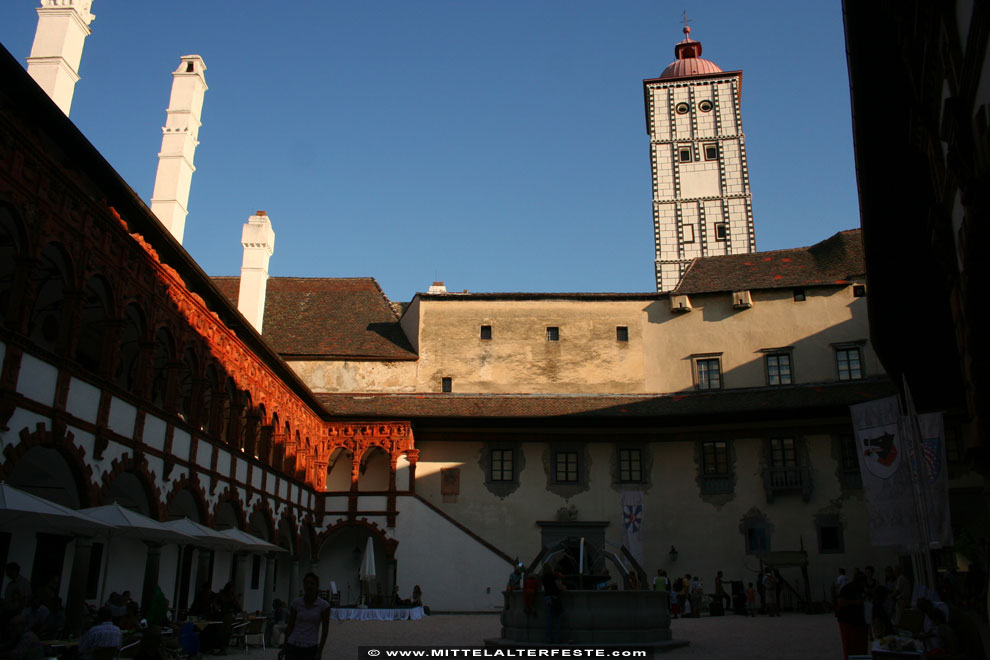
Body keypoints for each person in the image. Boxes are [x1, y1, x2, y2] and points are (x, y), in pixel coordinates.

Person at [283, 573, 330, 660]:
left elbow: (325, 631)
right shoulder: (296, 603)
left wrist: (319, 651)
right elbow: (290, 625)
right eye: (306, 583)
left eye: (312, 583)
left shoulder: (323, 606)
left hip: (310, 646)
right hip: (293, 645)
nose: (309, 586)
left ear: (317, 586)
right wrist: (284, 647)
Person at [836, 572, 868, 660]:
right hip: (847, 620)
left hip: (857, 620)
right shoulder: (848, 588)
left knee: (858, 645)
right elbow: (841, 602)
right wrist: (856, 602)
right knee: (849, 645)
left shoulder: (860, 589)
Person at [541, 564, 564, 643]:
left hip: (547, 597)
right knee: (557, 619)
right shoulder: (553, 576)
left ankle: (549, 638)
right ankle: (558, 638)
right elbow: (559, 587)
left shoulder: (543, 577)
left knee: (549, 619)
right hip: (554, 597)